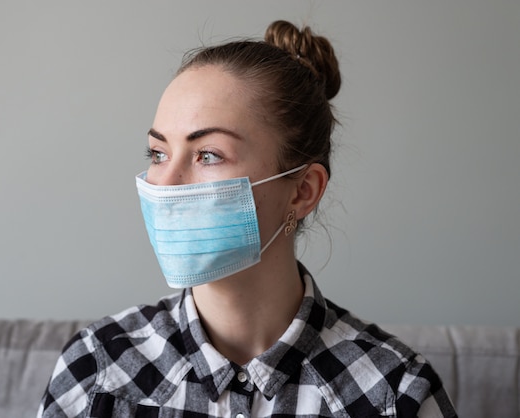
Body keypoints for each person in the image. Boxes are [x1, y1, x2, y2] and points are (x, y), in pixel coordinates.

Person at [38, 20, 457, 417]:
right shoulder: (95, 370)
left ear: (302, 191)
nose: (165, 183)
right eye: (158, 153)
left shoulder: (396, 392)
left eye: (208, 155)